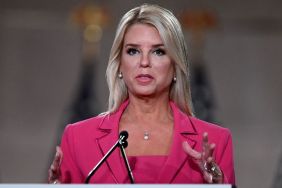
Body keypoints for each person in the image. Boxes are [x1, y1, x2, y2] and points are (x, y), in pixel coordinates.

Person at [48, 4, 235, 184]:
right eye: (133, 51)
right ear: (119, 64)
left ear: (175, 66)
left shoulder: (215, 141)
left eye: (158, 51)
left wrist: (218, 185)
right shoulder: (78, 138)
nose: (144, 62)